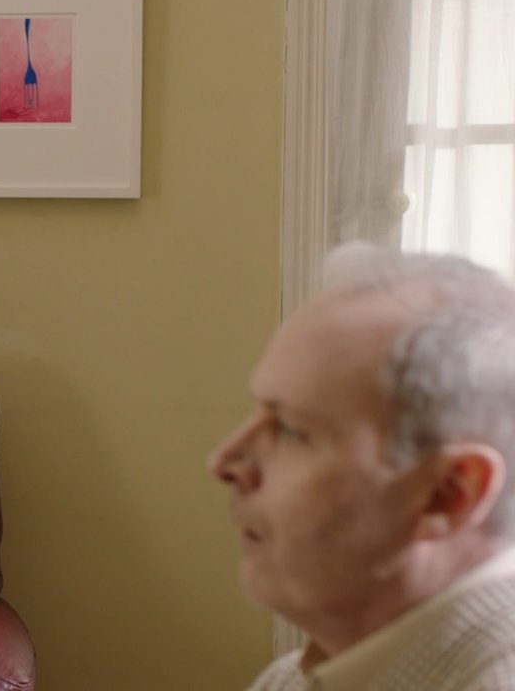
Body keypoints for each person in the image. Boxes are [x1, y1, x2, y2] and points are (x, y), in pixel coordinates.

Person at [209, 242, 515, 690]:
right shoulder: (290, 680)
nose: (223, 461)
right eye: (256, 411)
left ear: (449, 494)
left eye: (291, 430)